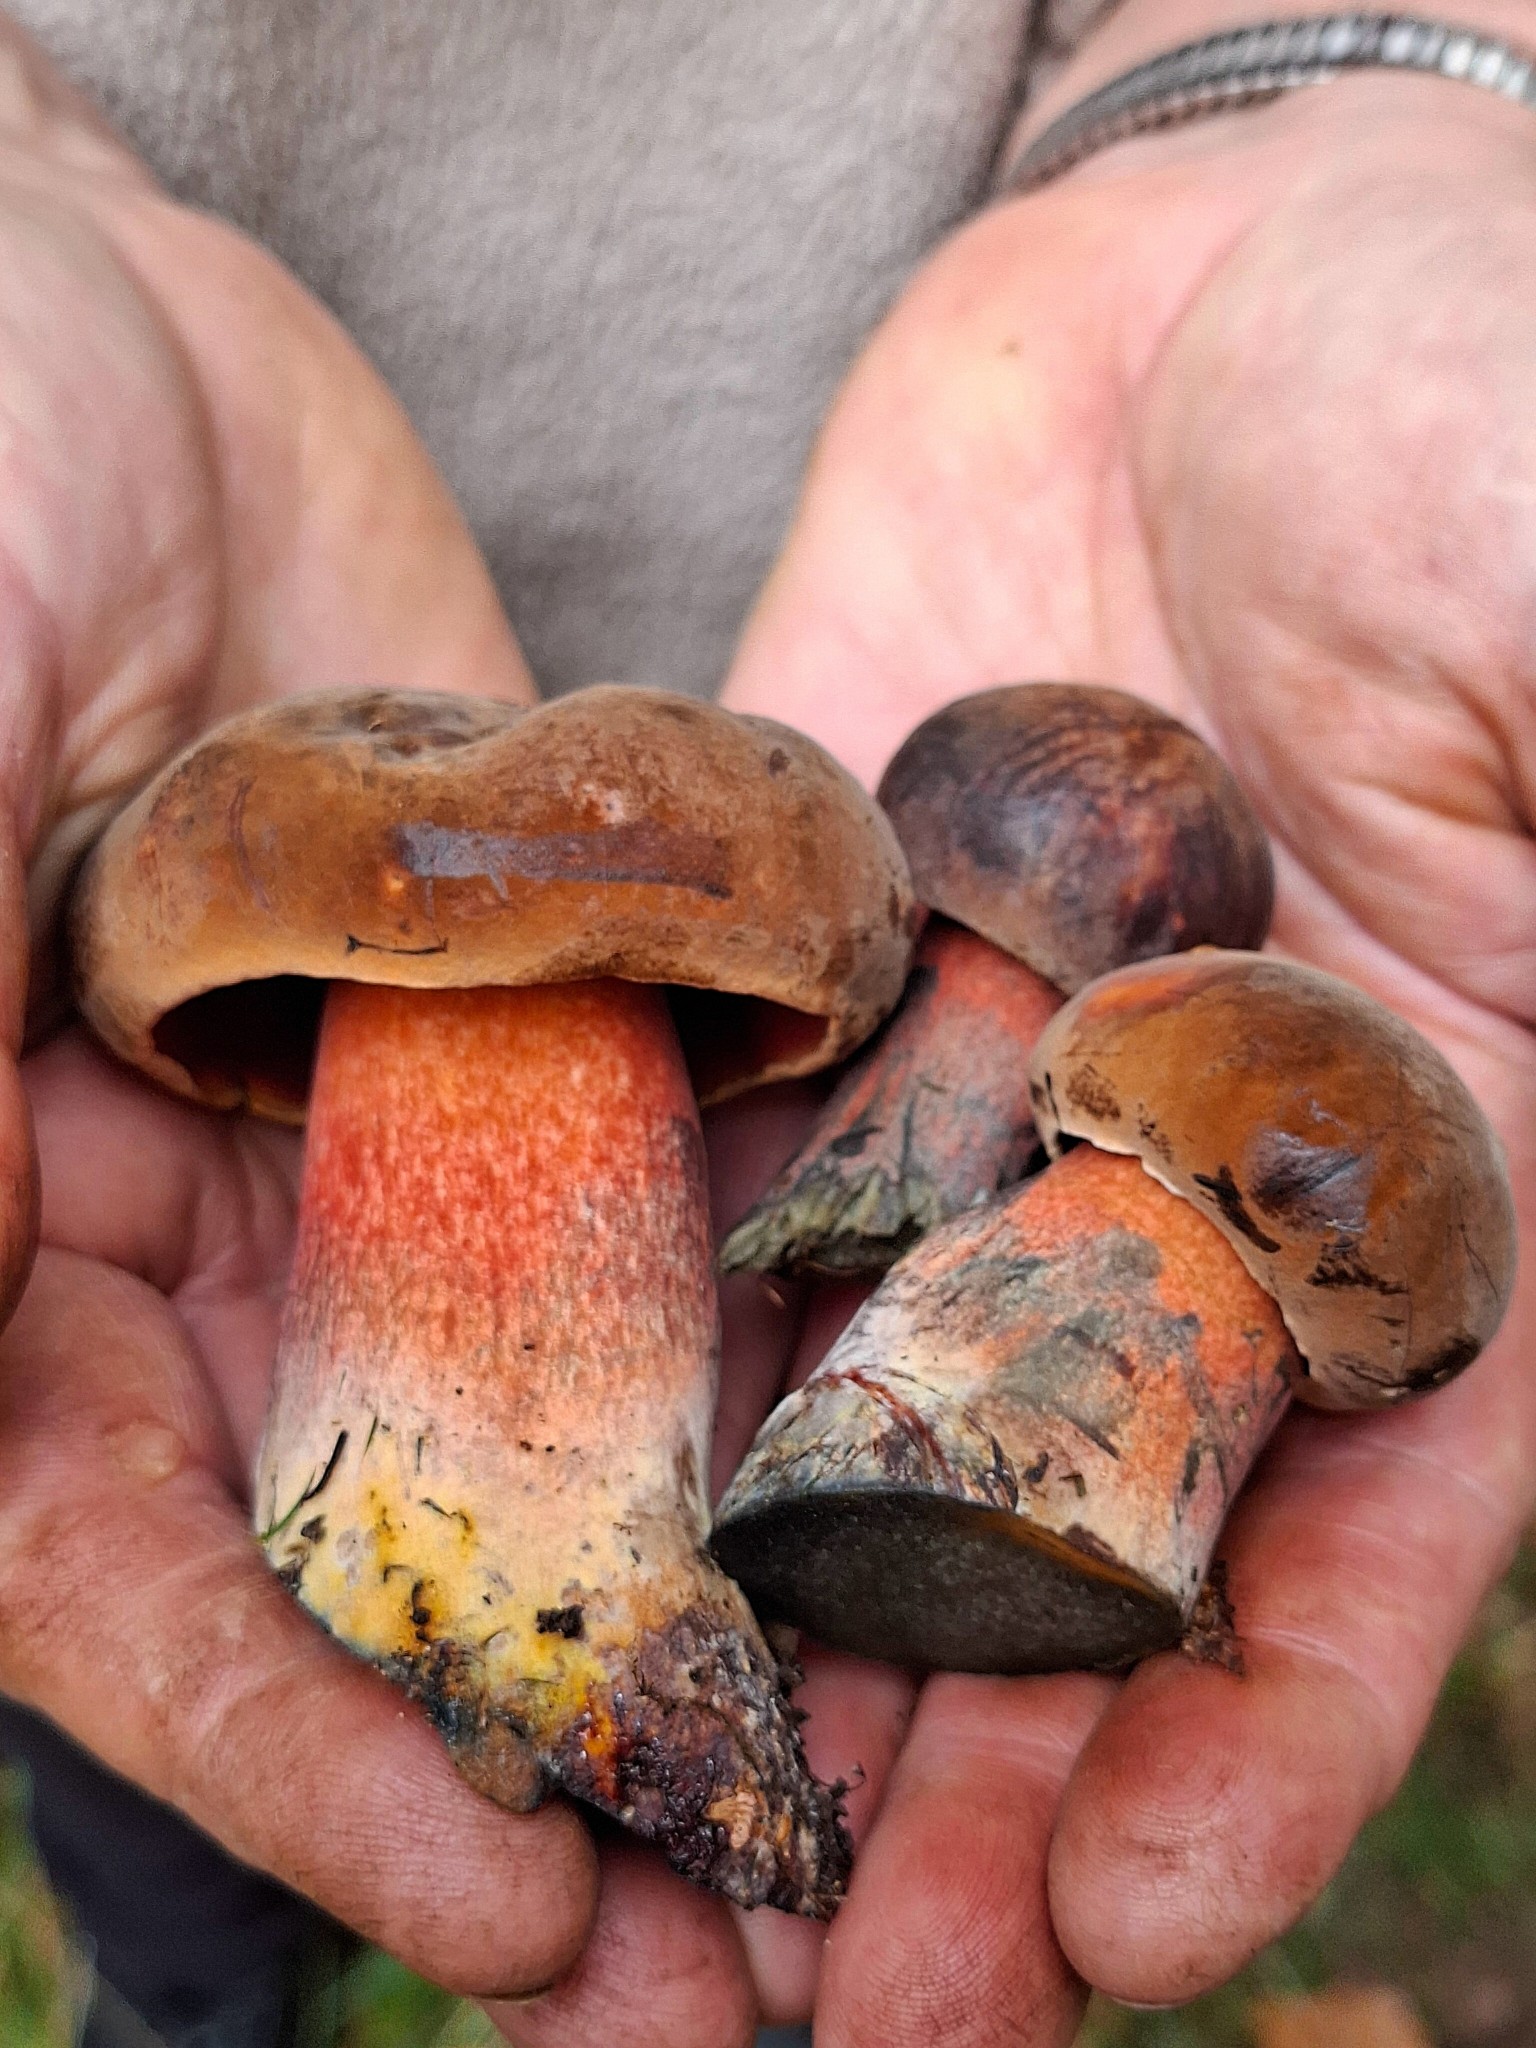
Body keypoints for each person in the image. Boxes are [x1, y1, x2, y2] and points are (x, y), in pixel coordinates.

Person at [0, 0, 1529, 2040]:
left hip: (992, 447)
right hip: (196, 492)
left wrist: (1391, 88)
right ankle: (192, 1988)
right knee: (175, 1796)